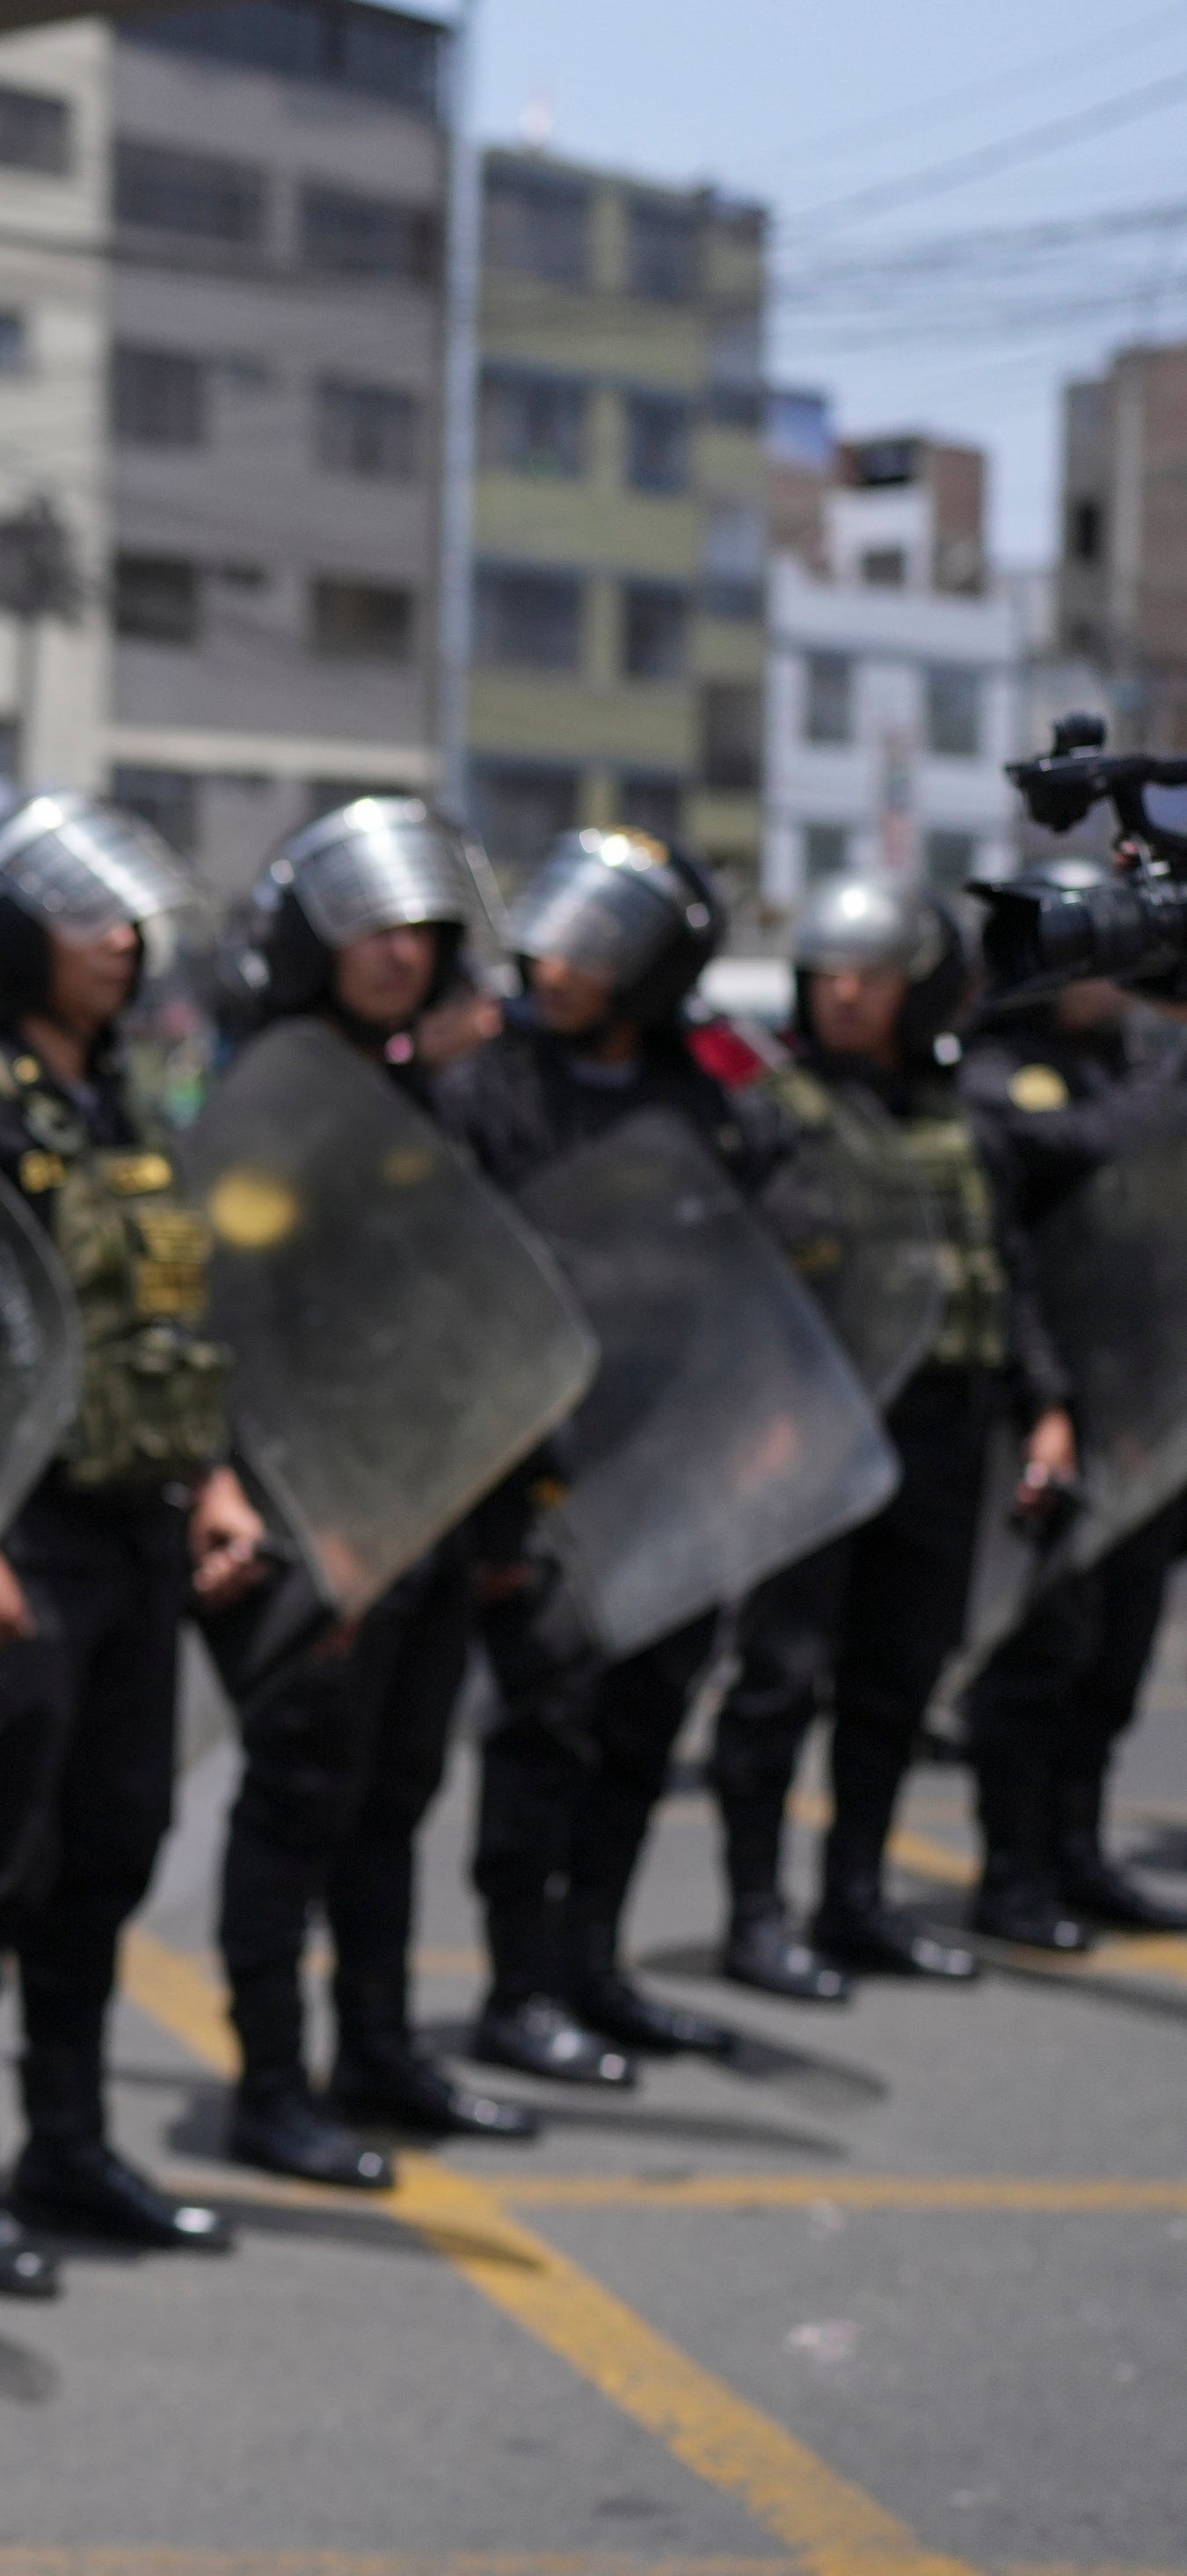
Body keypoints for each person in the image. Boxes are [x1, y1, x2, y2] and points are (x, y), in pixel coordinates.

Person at [0, 795, 268, 2298]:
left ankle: (64, 2140)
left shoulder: (116, 1097)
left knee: (105, 1850)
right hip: (16, 1538)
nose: (120, 940)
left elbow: (158, 1321)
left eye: (125, 918)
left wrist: (215, 1477)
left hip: (134, 1531)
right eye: (81, 916)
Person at [197, 797, 538, 2191]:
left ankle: (378, 2048)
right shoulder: (269, 1092)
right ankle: (272, 2083)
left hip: (434, 1501)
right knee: (295, 1800)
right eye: (369, 928)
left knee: (394, 1793)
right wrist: (295, 1512)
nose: (398, 952)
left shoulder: (434, 1092)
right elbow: (234, 1325)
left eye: (420, 929)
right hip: (314, 1513)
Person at [436, 828, 797, 2088]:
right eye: (556, 934)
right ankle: (514, 1984)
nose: (558, 962)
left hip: (674, 1470)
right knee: (542, 1738)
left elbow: (754, 1280)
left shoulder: (705, 1104)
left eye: (598, 946)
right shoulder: (483, 1090)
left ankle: (592, 1960)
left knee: (641, 1733)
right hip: (541, 1478)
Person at [705, 870, 1073, 1996]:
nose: (844, 996)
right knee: (778, 1682)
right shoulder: (773, 1114)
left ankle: (853, 1899)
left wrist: (1043, 1406)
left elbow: (999, 1275)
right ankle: (756, 1914)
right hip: (818, 1432)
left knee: (896, 1679)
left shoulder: (962, 1118)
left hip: (945, 1432)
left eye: (869, 977)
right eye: (827, 976)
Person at [965, 918, 1187, 1948]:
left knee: (1114, 1658)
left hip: (1145, 1417)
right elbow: (1080, 1153)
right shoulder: (1003, 1079)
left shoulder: (1126, 1070)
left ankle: (1078, 1851)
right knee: (1038, 1658)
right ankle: (1013, 1874)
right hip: (1051, 1417)